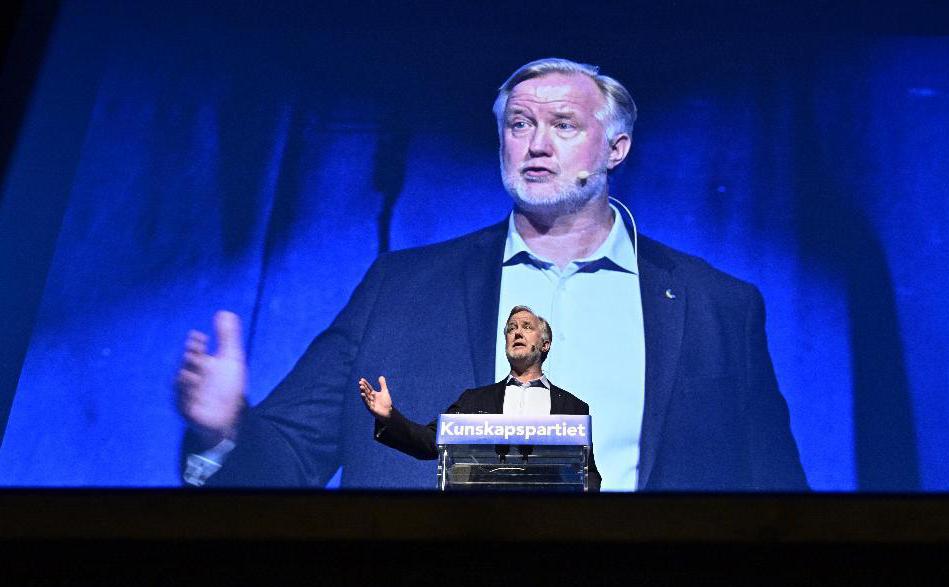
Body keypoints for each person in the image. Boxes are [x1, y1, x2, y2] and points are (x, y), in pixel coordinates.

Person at [177, 57, 807, 491]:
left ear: (616, 148)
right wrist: (222, 426)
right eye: (520, 125)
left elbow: (775, 496)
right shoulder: (399, 289)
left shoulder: (717, 304)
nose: (536, 144)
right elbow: (289, 453)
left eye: (563, 126)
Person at [359, 305, 600, 491]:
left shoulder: (573, 407)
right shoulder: (474, 400)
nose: (517, 332)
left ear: (545, 344)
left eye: (527, 327)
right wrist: (390, 417)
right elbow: (431, 442)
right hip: (485, 518)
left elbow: (588, 474)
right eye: (511, 328)